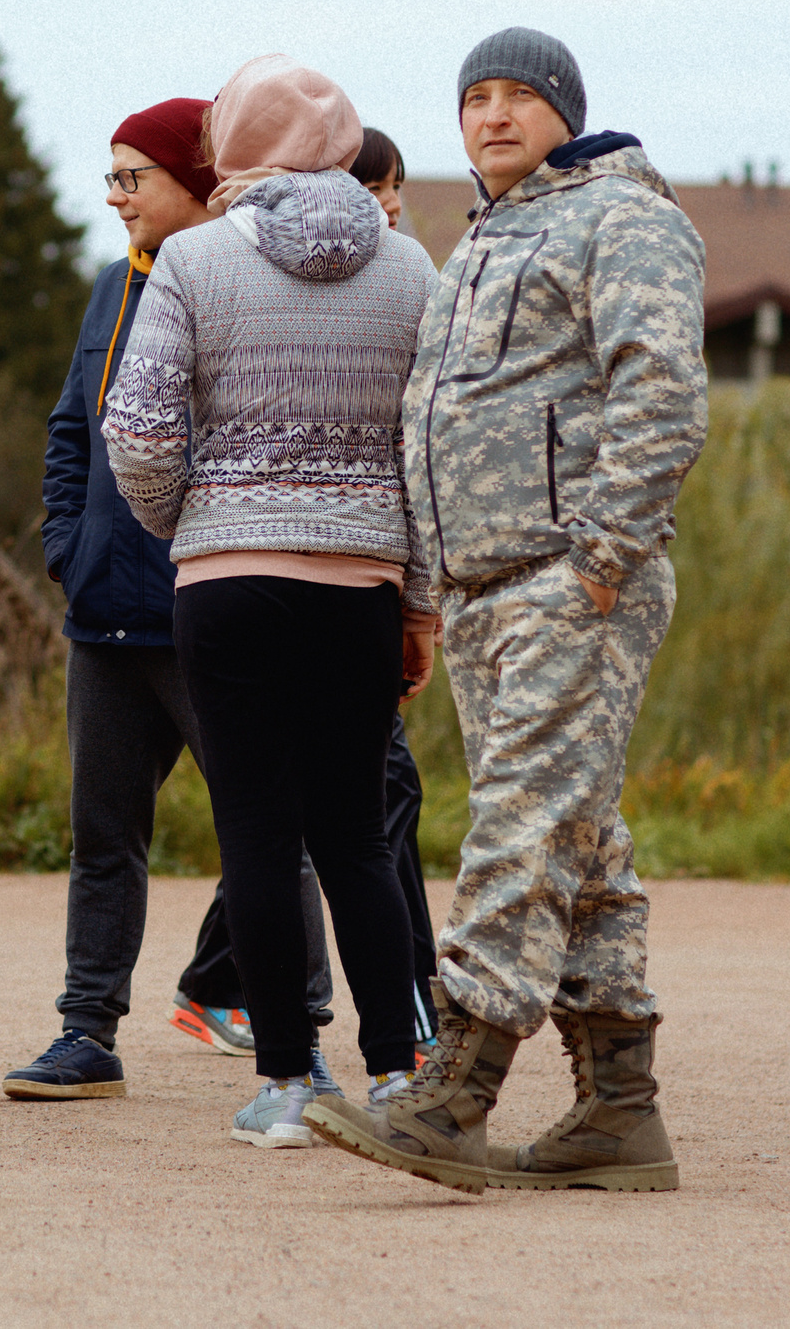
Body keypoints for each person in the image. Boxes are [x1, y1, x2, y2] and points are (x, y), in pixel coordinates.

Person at [309, 28, 706, 1194]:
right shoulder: (483, 235)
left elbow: (665, 391)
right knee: (578, 839)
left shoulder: (621, 218)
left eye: (517, 96)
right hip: (488, 589)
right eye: (473, 97)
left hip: (568, 578)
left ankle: (457, 1087)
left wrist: (600, 559)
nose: (491, 114)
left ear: (564, 114)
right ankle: (619, 1112)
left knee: (522, 824)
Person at [103, 55, 438, 1148]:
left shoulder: (191, 261)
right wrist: (418, 601)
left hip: (229, 581)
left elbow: (140, 430)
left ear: (229, 149)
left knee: (254, 829)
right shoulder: (409, 267)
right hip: (359, 585)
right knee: (355, 834)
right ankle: (397, 1075)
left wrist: (185, 524)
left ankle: (289, 1084)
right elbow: (427, 454)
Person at [1, 97, 337, 1102]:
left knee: (268, 830)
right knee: (104, 839)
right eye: (109, 177)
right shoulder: (113, 286)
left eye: (130, 177)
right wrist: (69, 547)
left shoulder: (248, 283)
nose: (112, 197)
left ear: (194, 183)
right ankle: (84, 1032)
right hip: (104, 614)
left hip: (213, 606)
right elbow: (72, 433)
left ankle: (299, 1028)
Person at [350, 126, 441, 1051]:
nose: (390, 201)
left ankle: (220, 975)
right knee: (378, 795)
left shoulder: (408, 272)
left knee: (366, 795)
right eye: (373, 184)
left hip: (379, 576)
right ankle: (412, 1008)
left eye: (397, 184)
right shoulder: (403, 273)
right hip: (360, 576)